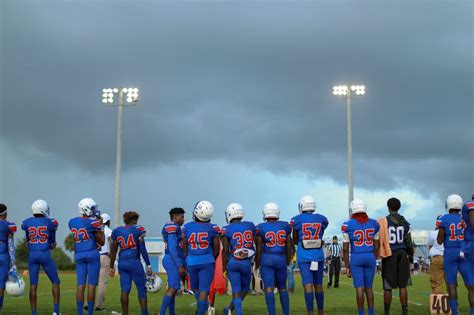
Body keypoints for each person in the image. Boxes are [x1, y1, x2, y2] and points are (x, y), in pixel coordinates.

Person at [21, 199, 61, 315]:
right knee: (55, 281)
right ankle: (56, 311)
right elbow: (52, 243)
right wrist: (51, 244)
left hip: (32, 255)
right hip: (44, 254)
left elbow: (28, 240)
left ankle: (34, 313)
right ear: (44, 209)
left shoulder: (27, 222)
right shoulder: (50, 222)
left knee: (33, 285)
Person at [291, 195, 328, 315]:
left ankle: (310, 312)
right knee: (318, 285)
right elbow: (321, 232)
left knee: (308, 285)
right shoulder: (322, 218)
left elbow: (295, 240)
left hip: (304, 255)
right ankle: (320, 312)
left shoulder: (296, 219)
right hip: (317, 254)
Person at [109, 211, 152, 315]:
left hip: (122, 263)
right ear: (134, 220)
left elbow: (113, 250)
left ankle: (125, 313)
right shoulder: (138, 229)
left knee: (125, 290)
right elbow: (142, 248)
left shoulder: (117, 231)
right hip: (134, 262)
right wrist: (148, 264)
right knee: (141, 289)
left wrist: (111, 267)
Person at [342, 199, 380, 315]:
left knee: (359, 288)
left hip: (356, 257)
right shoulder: (374, 223)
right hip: (370, 256)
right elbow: (377, 246)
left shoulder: (347, 225)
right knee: (369, 288)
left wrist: (347, 266)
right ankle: (371, 312)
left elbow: (345, 248)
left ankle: (361, 313)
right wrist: (373, 258)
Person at [182, 201, 220, 315]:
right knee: (204, 289)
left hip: (192, 260)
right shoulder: (213, 228)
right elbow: (217, 249)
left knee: (195, 288)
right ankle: (202, 309)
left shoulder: (187, 226)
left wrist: (189, 257)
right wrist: (210, 259)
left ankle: (201, 309)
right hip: (207, 260)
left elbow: (185, 246)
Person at [68, 198, 105, 315]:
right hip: (92, 253)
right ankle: (89, 313)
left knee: (80, 285)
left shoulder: (72, 222)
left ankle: (80, 312)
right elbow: (102, 241)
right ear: (86, 209)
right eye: (93, 208)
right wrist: (101, 226)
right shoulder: (93, 222)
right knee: (91, 285)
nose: (95, 210)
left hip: (79, 254)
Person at [255, 202, 292, 315]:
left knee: (269, 288)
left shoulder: (261, 227)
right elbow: (289, 245)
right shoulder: (285, 226)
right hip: (280, 258)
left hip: (266, 258)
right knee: (282, 288)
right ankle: (286, 313)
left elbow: (259, 249)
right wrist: (287, 259)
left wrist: (257, 264)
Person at [378, 197, 413, 315]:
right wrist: (411, 256)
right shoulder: (404, 221)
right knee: (403, 286)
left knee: (387, 286)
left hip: (389, 253)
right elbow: (409, 241)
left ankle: (386, 312)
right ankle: (405, 312)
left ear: (388, 207)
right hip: (402, 253)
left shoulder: (384, 221)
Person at [436, 194, 469, 315]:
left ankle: (455, 312)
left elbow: (439, 240)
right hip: (465, 251)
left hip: (450, 252)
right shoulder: (466, 217)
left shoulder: (443, 218)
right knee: (470, 285)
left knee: (451, 284)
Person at [221, 203, 256, 315]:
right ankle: (231, 309)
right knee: (245, 290)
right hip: (246, 262)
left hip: (233, 262)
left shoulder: (226, 229)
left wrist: (223, 266)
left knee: (236, 290)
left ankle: (230, 309)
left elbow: (225, 250)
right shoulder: (250, 225)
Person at [160, 207, 186, 315]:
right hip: (172, 259)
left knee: (174, 288)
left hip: (172, 259)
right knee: (173, 287)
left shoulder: (176, 227)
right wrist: (179, 264)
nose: (183, 219)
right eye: (182, 216)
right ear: (174, 217)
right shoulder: (172, 226)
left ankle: (172, 313)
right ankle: (161, 313)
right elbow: (172, 248)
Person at [0, 203, 17, 312]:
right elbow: (10, 245)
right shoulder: (9, 225)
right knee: (1, 284)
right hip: (3, 255)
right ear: (5, 213)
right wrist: (14, 262)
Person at [96, 213, 112, 311]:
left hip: (94, 256)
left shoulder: (96, 230)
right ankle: (99, 305)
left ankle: (88, 303)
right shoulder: (109, 231)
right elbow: (112, 242)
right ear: (108, 222)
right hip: (105, 257)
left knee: (92, 282)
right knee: (102, 282)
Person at [462, 195, 474, 315]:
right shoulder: (470, 205)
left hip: (469, 247)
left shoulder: (469, 204)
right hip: (470, 246)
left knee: (471, 286)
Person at [427, 216, 445, 294]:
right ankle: (454, 305)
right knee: (451, 284)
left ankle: (438, 304)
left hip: (437, 258)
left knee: (436, 283)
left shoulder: (433, 233)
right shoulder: (449, 232)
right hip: (449, 257)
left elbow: (430, 246)